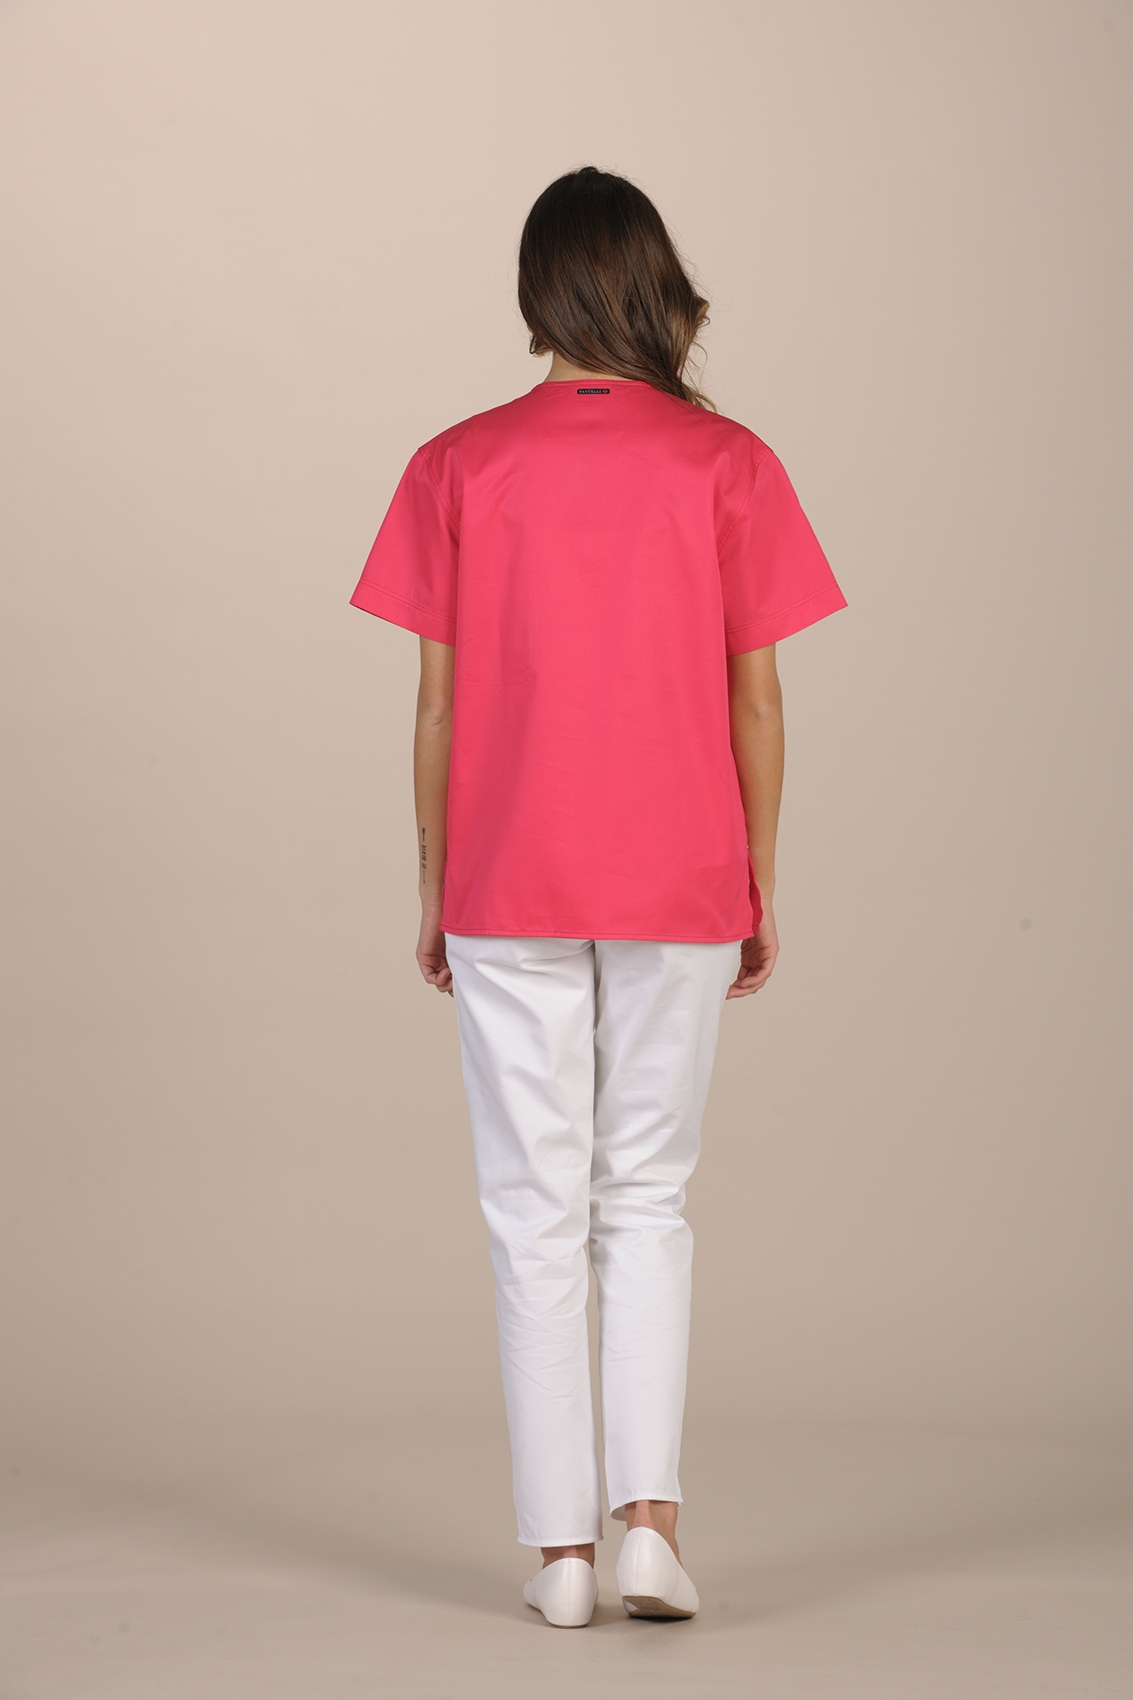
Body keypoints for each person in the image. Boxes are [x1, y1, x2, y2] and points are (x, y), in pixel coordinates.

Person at [349, 166, 847, 1628]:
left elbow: (435, 708)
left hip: (505, 874)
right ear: (654, 285)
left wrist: (434, 881)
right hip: (681, 871)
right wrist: (758, 876)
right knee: (646, 1196)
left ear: (534, 292)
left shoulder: (456, 464)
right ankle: (649, 1530)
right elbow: (759, 701)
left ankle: (560, 1555)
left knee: (529, 1209)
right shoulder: (725, 462)